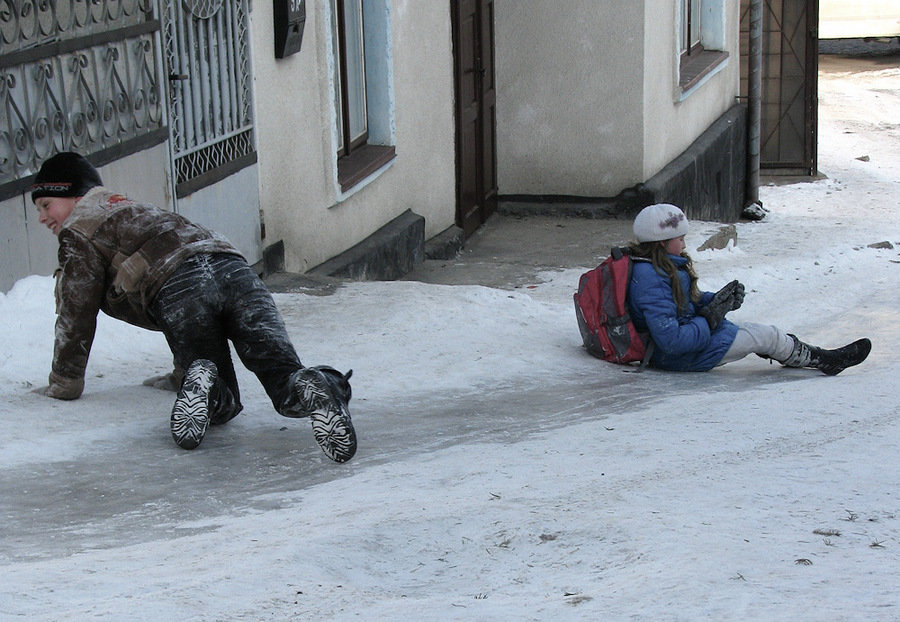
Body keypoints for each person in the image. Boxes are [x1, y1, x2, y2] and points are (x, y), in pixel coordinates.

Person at [28, 151, 356, 462]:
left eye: (46, 205)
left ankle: (204, 382)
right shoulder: (136, 209)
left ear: (75, 196)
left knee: (219, 395)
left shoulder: (79, 228)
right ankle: (319, 383)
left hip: (183, 287)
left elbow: (76, 309)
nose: (43, 217)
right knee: (284, 377)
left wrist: (65, 381)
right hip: (237, 271)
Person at [625, 203, 871, 375]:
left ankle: (815, 357)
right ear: (661, 242)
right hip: (676, 358)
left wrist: (717, 301)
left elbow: (680, 306)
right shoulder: (651, 278)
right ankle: (824, 360)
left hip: (686, 345)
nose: (685, 243)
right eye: (680, 239)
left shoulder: (660, 267)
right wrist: (709, 319)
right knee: (765, 336)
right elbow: (672, 341)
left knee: (761, 334)